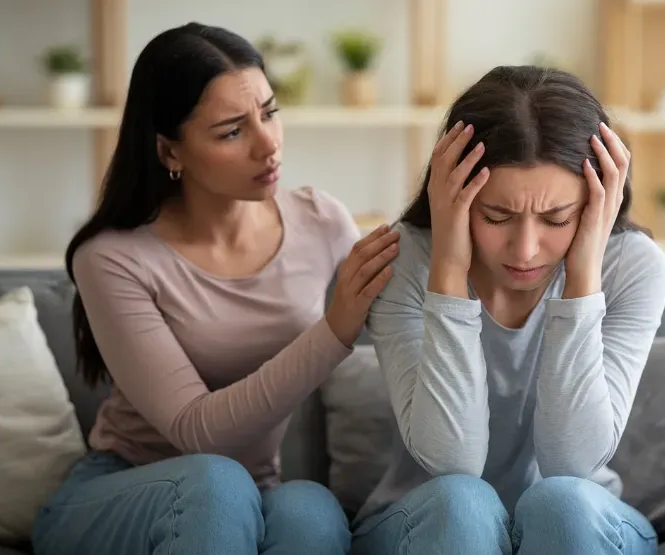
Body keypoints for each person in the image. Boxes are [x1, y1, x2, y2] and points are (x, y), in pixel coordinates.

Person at [31, 22, 399, 555]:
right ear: (169, 151)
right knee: (214, 481)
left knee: (311, 512)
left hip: (251, 494)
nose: (268, 143)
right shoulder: (112, 259)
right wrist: (335, 329)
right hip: (120, 497)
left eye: (269, 112)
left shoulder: (322, 221)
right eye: (232, 131)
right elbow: (197, 433)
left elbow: (416, 311)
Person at [349, 65, 665, 555]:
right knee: (463, 504)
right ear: (451, 194)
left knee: (559, 503)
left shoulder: (632, 267)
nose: (525, 250)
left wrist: (582, 278)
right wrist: (449, 270)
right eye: (496, 216)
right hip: (431, 517)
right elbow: (453, 460)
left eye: (556, 218)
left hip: (579, 521)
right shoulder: (405, 261)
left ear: (595, 202)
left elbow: (572, 461)